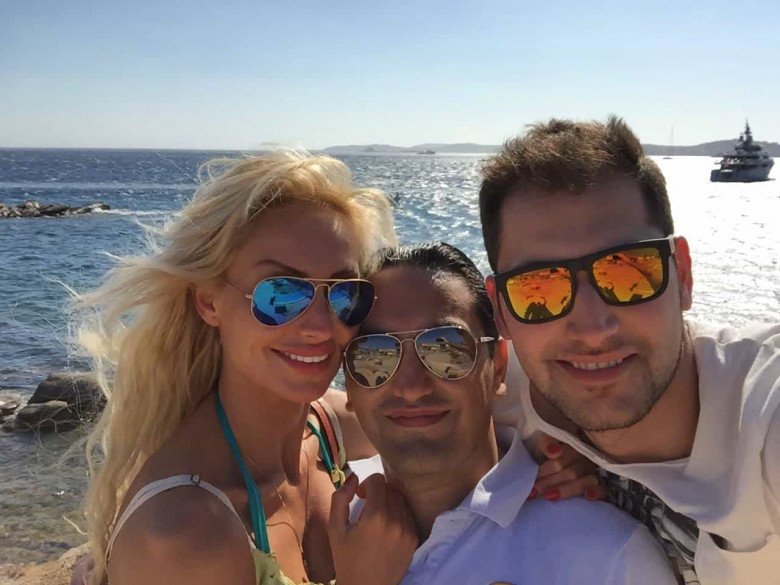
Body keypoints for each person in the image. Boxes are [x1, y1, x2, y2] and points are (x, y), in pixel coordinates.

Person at [73, 150, 404, 585]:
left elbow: (462, 424)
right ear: (208, 301)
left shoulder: (326, 427)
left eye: (344, 293)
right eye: (280, 293)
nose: (322, 327)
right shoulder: (184, 538)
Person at [480, 117, 780, 584]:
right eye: (540, 288)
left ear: (682, 275)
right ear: (501, 312)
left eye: (627, 272)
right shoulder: (502, 392)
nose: (593, 329)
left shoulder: (764, 414)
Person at [331, 242, 677, 584]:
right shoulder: (327, 524)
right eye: (373, 355)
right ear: (348, 381)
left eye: (447, 349)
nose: (411, 386)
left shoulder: (609, 558)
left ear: (498, 365)